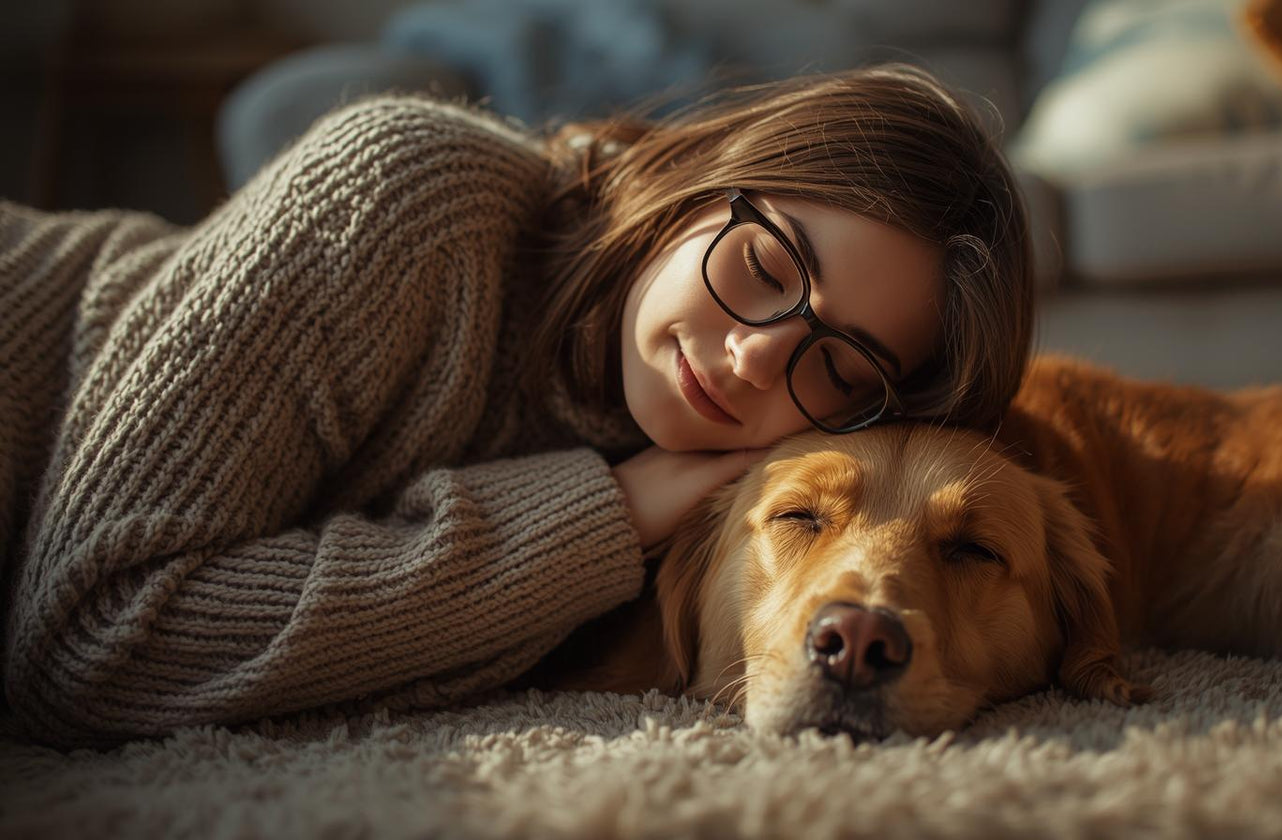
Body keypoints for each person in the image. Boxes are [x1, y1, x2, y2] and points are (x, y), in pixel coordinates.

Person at [0, 63, 1034, 749]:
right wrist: (603, 515)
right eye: (763, 264)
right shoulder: (407, 196)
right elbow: (90, 644)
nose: (755, 357)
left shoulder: (738, 517)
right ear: (703, 182)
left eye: (837, 369)